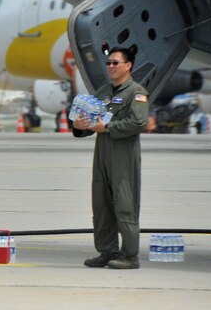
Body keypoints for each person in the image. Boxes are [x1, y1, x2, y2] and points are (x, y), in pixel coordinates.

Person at [73, 46, 148, 270]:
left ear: (128, 65)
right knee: (102, 203)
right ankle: (107, 251)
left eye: (116, 63)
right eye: (108, 63)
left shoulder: (137, 93)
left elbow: (137, 123)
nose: (111, 67)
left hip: (123, 154)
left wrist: (107, 127)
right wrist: (79, 126)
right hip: (102, 153)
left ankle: (130, 255)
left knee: (125, 204)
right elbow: (89, 121)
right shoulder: (103, 93)